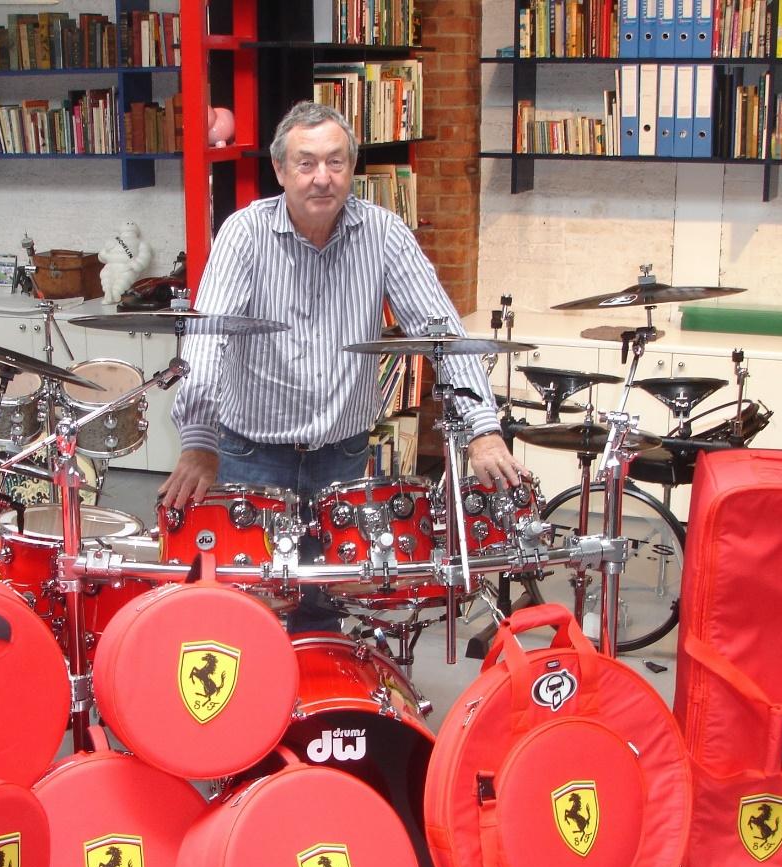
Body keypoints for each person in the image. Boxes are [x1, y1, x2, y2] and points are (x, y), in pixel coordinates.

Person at [159, 100, 529, 629]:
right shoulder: (244, 234)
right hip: (252, 454)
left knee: (323, 609)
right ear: (280, 170)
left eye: (335, 162)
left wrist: (483, 430)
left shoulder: (384, 233)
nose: (322, 178)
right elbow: (208, 339)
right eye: (306, 163)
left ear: (352, 167)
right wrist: (199, 441)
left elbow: (441, 334)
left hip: (342, 457)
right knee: (250, 613)